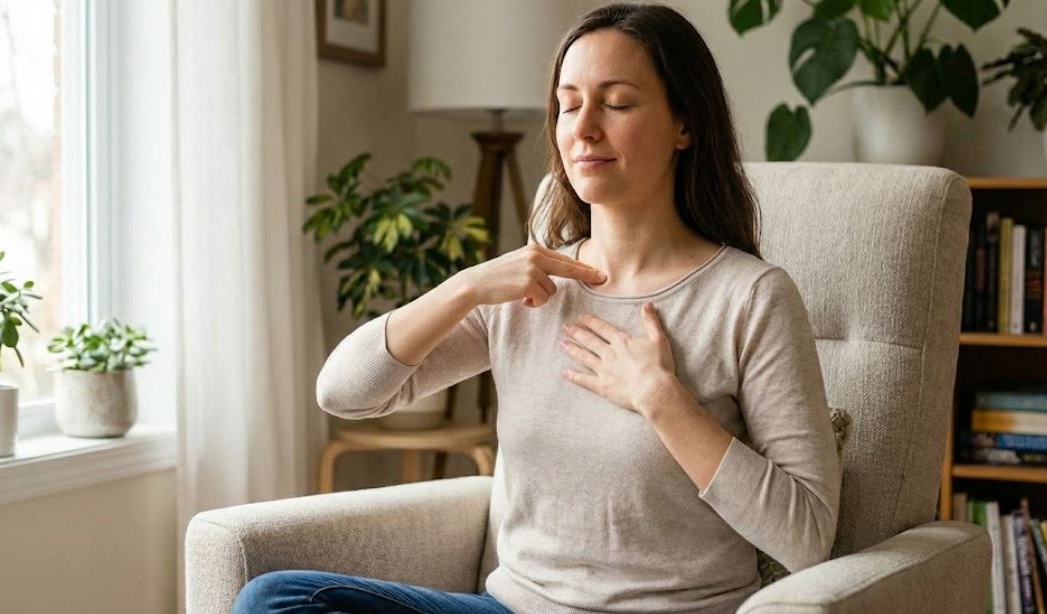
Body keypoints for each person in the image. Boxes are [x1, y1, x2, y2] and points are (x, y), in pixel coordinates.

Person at [232, 3, 841, 613]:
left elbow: (806, 536)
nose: (584, 128)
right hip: (513, 607)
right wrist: (464, 288)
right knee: (275, 601)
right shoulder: (529, 288)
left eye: (618, 103)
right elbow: (343, 392)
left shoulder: (750, 298)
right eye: (569, 104)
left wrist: (662, 400)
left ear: (685, 123)